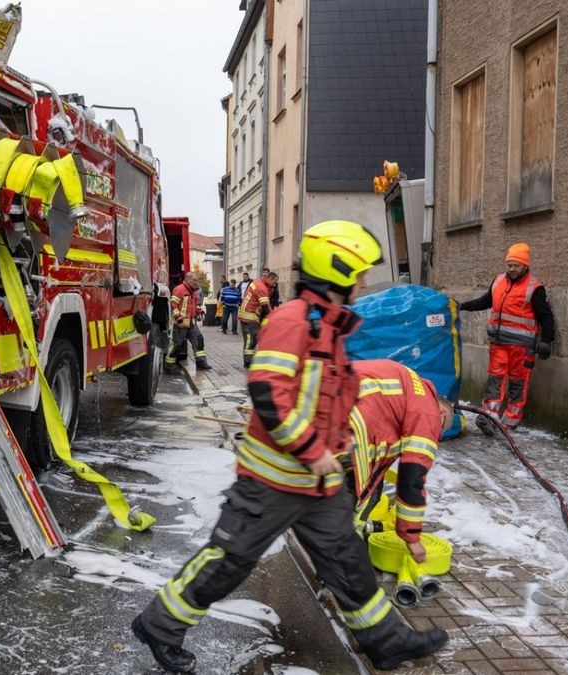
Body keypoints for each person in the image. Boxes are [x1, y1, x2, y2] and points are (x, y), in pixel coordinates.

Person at [131, 221, 446, 673]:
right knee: (230, 562)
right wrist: (312, 450)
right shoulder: (291, 321)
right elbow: (267, 391)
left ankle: (388, 642)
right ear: (334, 273)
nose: (360, 283)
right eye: (355, 274)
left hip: (320, 485)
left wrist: (331, 458)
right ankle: (160, 625)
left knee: (349, 563)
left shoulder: (329, 330)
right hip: (271, 483)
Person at [346, 360, 455, 565]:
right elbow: (412, 475)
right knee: (353, 500)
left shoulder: (408, 385)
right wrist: (412, 537)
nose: (436, 436)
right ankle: (345, 567)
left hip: (322, 404)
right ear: (442, 413)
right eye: (440, 429)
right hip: (351, 427)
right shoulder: (427, 411)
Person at [457, 243, 556, 434]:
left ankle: (511, 420)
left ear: (525, 266)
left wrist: (546, 340)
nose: (511, 269)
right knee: (495, 379)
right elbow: (485, 301)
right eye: (509, 265)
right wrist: (462, 306)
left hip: (522, 347)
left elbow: (547, 316)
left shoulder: (534, 288)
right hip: (499, 343)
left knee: (518, 382)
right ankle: (489, 416)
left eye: (515, 265)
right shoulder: (498, 281)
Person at [166, 271, 211, 373]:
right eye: (194, 280)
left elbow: (192, 306)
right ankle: (169, 365)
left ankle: (201, 363)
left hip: (191, 324)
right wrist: (179, 319)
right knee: (177, 344)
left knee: (199, 340)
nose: (196, 282)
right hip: (181, 324)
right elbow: (173, 306)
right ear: (188, 279)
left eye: (197, 280)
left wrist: (199, 310)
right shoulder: (179, 289)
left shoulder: (193, 291)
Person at [237, 271, 276, 367]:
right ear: (270, 279)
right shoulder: (262, 288)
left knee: (251, 338)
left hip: (246, 313)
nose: (275, 285)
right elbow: (265, 307)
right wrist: (273, 317)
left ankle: (250, 359)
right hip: (249, 316)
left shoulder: (257, 282)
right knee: (251, 339)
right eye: (274, 282)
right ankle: (248, 362)